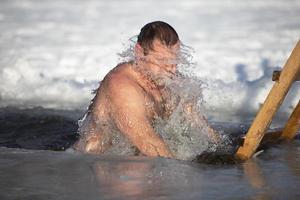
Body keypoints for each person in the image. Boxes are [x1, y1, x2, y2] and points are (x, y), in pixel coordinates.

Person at [73, 21, 220, 158]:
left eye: (175, 60)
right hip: (95, 163)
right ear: (139, 53)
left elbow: (197, 123)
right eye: (162, 60)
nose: (171, 68)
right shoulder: (122, 87)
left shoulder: (168, 79)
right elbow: (149, 144)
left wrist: (224, 150)